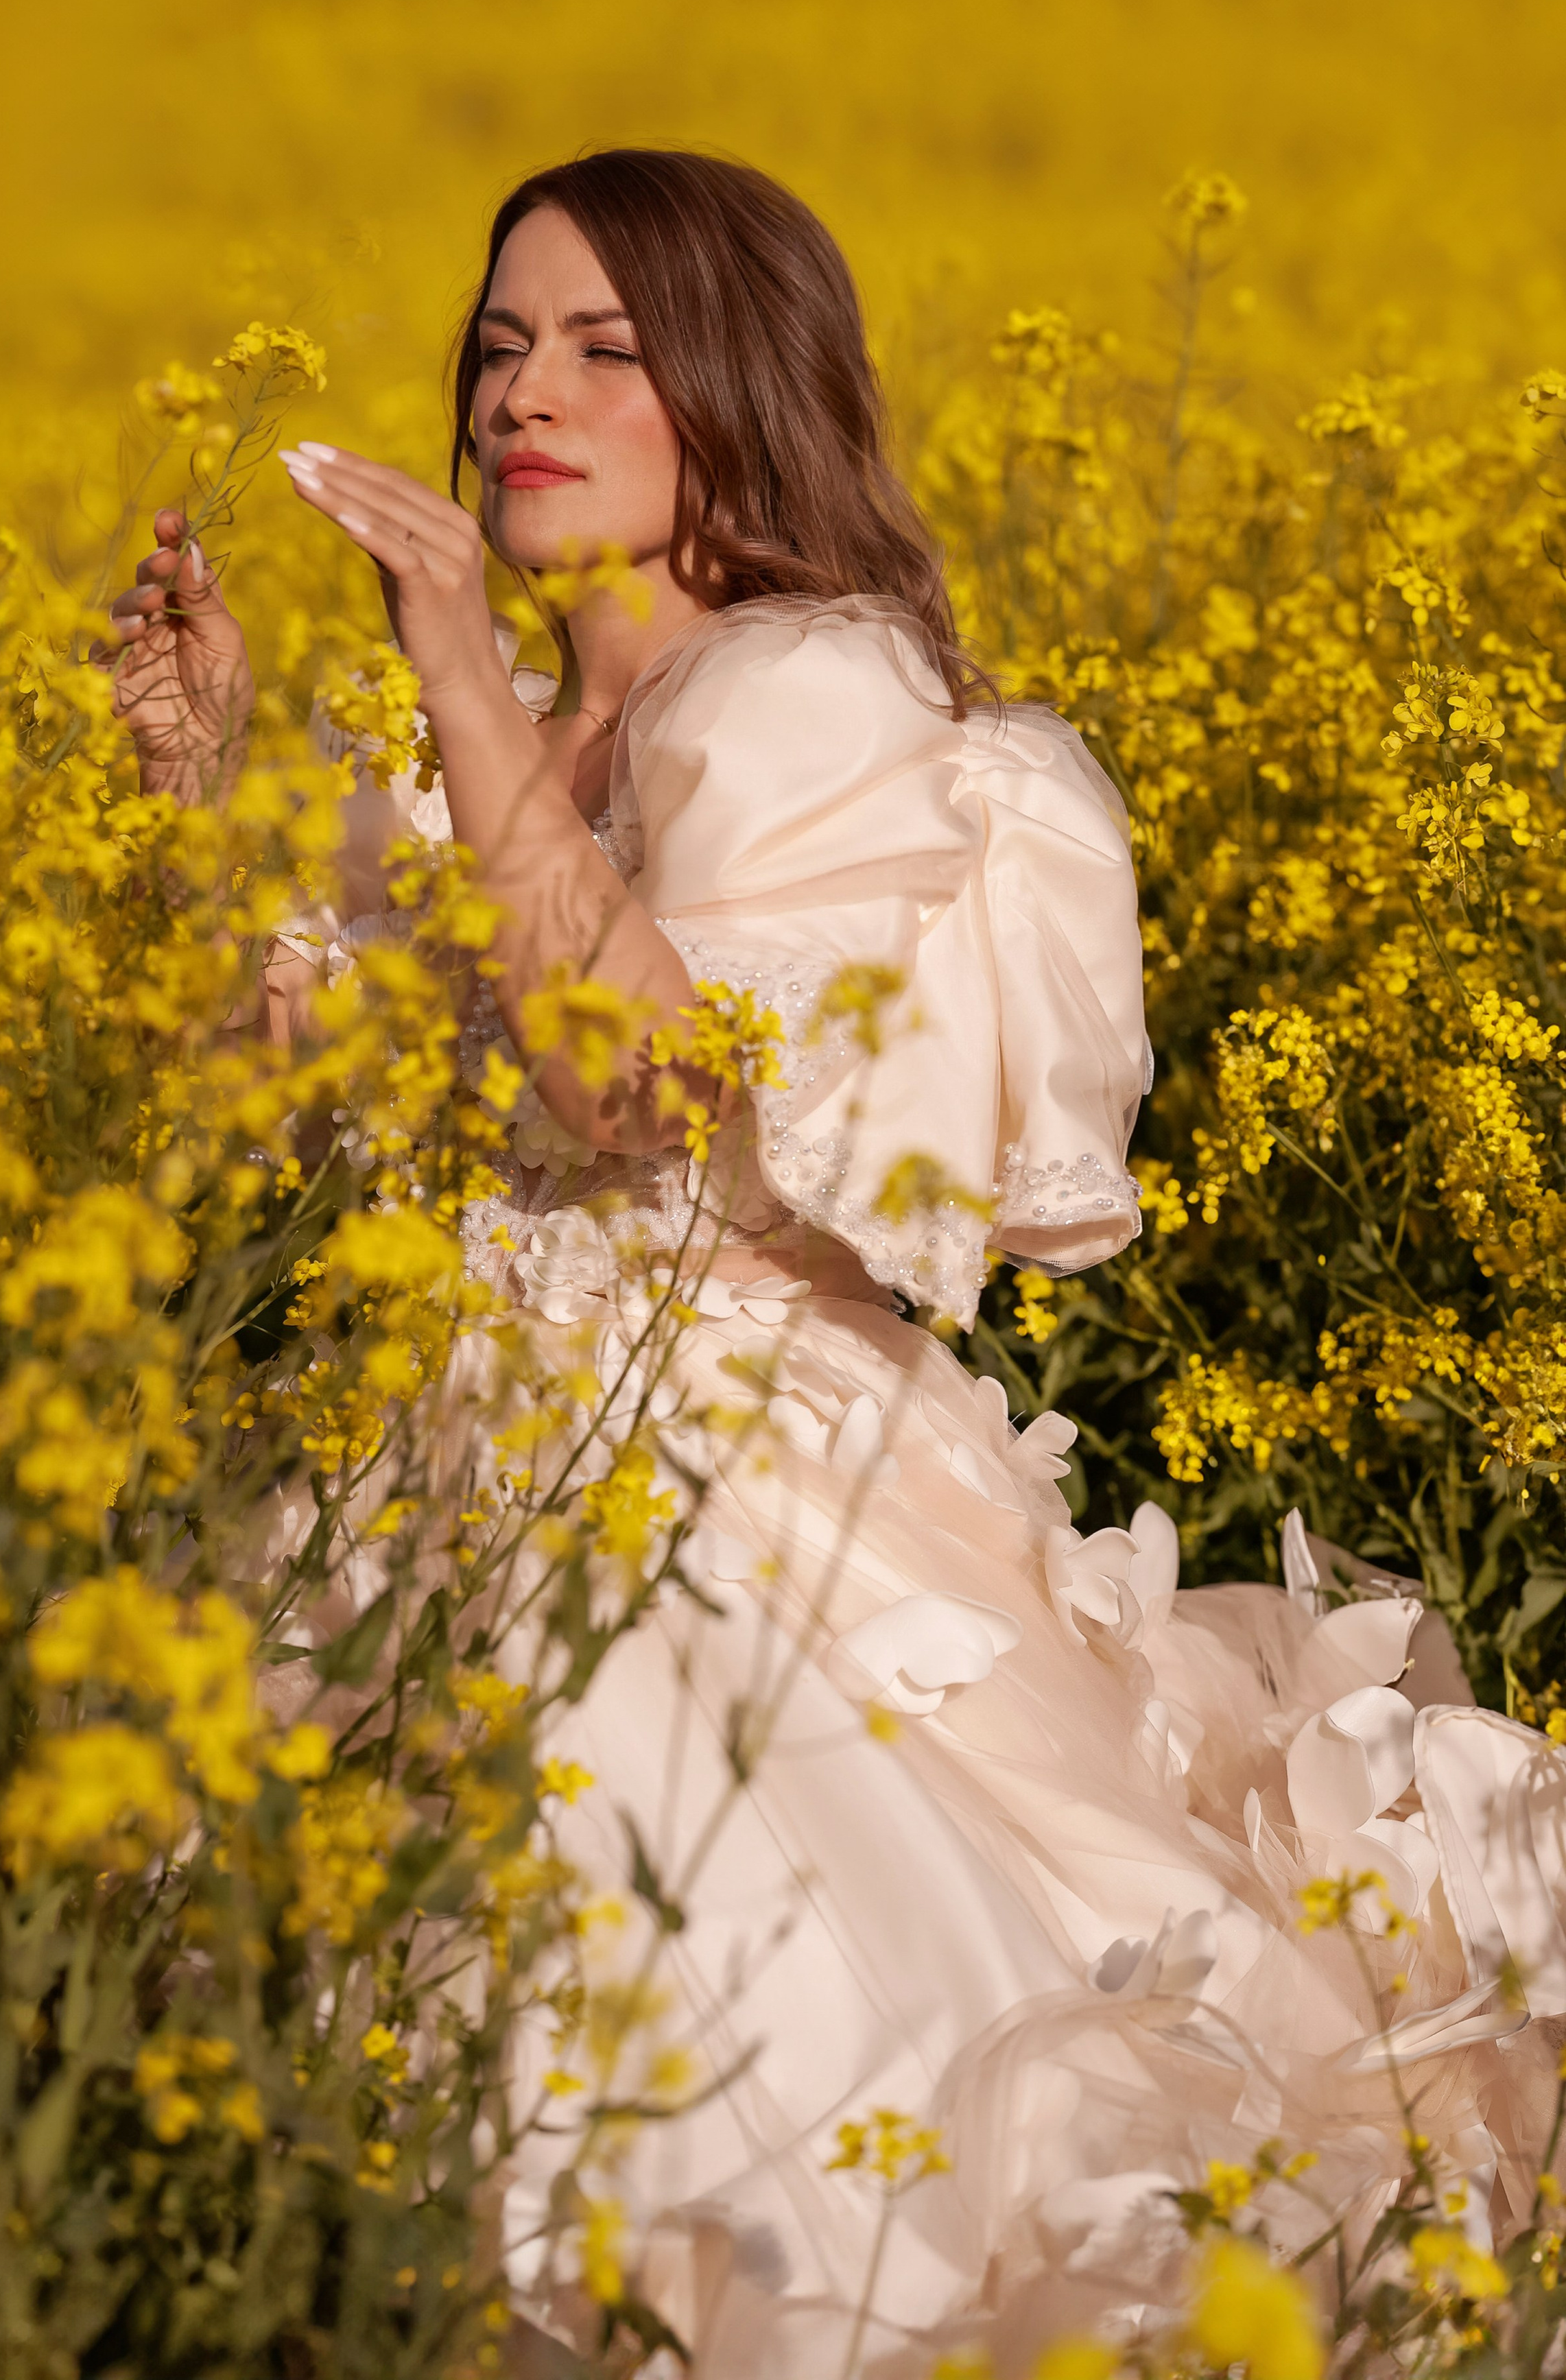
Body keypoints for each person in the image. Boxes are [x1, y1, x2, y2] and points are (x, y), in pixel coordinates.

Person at [105, 150, 1564, 2375]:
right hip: (439, 1467)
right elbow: (281, 1123)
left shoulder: (795, 694)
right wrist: (200, 796)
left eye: (604, 346)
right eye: (499, 343)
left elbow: (651, 1095)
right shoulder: (487, 741)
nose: (523, 390)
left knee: (734, 2096)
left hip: (719, 1488)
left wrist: (468, 703)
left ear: (738, 389)